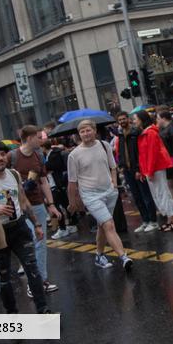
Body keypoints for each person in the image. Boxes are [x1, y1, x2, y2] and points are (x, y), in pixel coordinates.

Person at [0, 141, 50, 314]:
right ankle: (12, 314)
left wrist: (36, 224)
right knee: (3, 277)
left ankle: (43, 310)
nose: (0, 158)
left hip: (19, 227)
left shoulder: (14, 174)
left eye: (2, 154)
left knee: (32, 269)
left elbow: (23, 200)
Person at [66, 120, 133, 269]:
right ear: (79, 134)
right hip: (91, 195)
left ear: (95, 131)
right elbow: (72, 183)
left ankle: (99, 255)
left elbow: (113, 167)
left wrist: (114, 184)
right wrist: (72, 202)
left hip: (109, 191)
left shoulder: (104, 145)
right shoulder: (74, 155)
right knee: (109, 224)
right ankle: (123, 257)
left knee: (102, 226)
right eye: (82, 131)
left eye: (88, 130)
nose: (85, 134)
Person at [10, 126, 60, 296]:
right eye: (39, 137)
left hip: (38, 204)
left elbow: (44, 181)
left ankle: (42, 280)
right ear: (29, 138)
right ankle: (34, 283)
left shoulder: (38, 155)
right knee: (32, 242)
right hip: (19, 207)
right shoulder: (12, 157)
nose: (42, 140)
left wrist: (51, 204)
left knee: (40, 243)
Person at [135, 110, 173, 232]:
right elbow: (145, 155)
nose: (134, 121)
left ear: (141, 120)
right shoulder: (147, 132)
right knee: (160, 194)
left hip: (156, 168)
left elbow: (152, 154)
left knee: (162, 193)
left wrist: (148, 171)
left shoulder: (150, 133)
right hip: (153, 168)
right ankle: (171, 219)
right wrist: (145, 171)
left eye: (135, 119)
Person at [113, 111, 157, 233]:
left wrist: (138, 169)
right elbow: (121, 152)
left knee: (146, 195)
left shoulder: (136, 132)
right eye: (120, 120)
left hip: (137, 169)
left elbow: (139, 152)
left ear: (128, 119)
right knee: (137, 197)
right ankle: (145, 220)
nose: (122, 121)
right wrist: (121, 165)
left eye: (124, 119)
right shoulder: (120, 135)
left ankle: (153, 220)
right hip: (127, 170)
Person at [46, 138, 78, 240]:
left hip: (56, 184)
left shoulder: (53, 154)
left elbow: (53, 166)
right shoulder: (54, 153)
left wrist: (46, 167)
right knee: (65, 204)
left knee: (58, 206)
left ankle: (63, 228)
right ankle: (72, 224)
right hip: (58, 183)